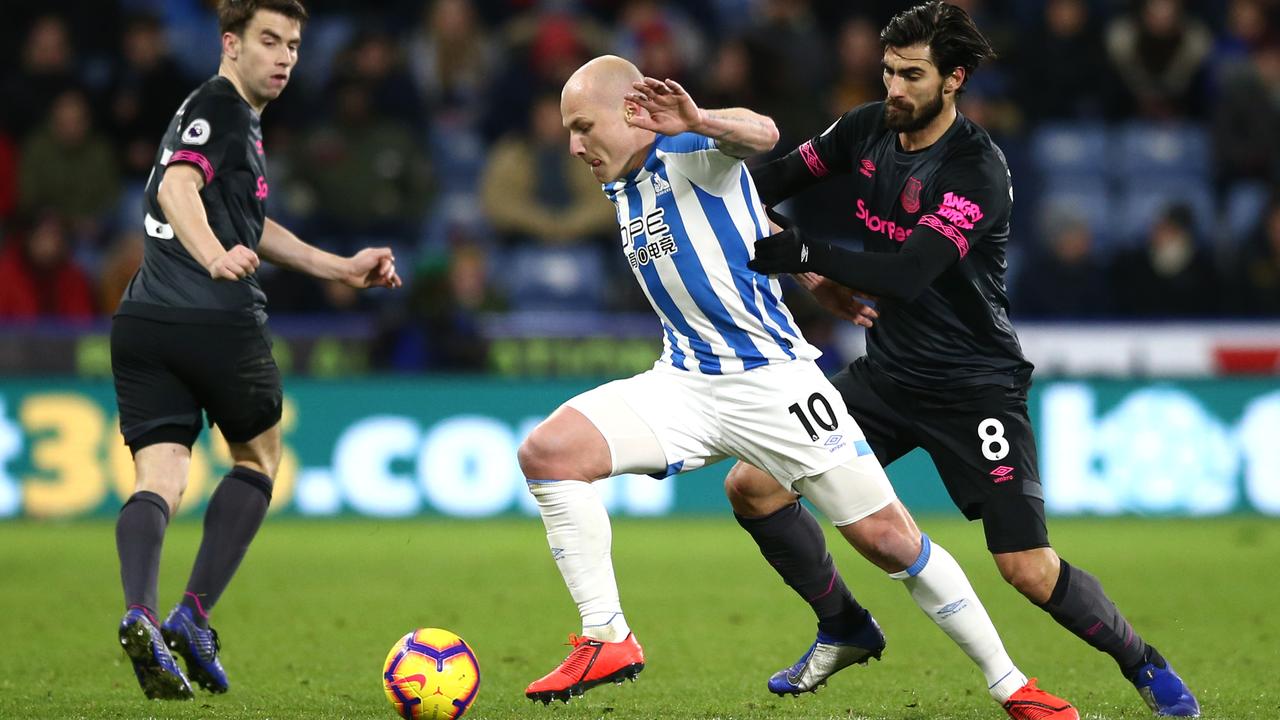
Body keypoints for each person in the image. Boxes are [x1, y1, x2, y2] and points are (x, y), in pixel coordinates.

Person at [519, 53, 1075, 720]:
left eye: (584, 126)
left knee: (888, 540)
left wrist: (698, 118)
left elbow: (762, 133)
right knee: (549, 454)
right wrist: (805, 270)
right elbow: (741, 222)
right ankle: (607, 637)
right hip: (684, 381)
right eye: (569, 132)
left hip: (774, 385)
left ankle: (1012, 685)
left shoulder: (691, 150)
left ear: (633, 111)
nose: (575, 145)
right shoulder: (620, 180)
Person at [732, 2, 1200, 717]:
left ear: (953, 80)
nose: (893, 86)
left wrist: (802, 254)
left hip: (974, 388)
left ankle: (1144, 664)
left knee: (1027, 569)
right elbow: (761, 187)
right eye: (887, 70)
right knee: (752, 485)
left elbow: (905, 274)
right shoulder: (863, 129)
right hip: (884, 378)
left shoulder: (976, 170)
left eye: (911, 75)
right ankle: (844, 625)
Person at [111, 0, 400, 700]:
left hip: (143, 321)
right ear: (230, 43)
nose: (284, 57)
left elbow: (246, 218)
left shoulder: (212, 113)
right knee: (259, 458)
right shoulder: (224, 107)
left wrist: (338, 267)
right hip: (214, 321)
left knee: (162, 476)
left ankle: (141, 615)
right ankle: (194, 616)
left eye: (295, 46)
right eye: (269, 41)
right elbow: (180, 187)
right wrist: (212, 256)